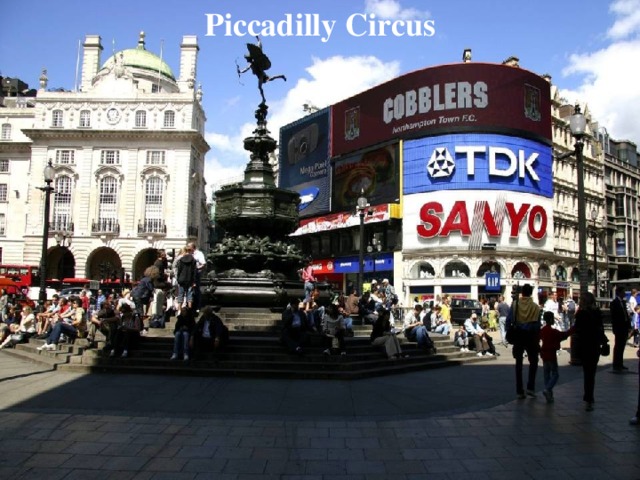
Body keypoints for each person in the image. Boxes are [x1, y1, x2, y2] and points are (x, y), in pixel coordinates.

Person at [574, 292, 608, 411]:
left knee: (587, 372)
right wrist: (604, 341)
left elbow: (577, 330)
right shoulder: (597, 312)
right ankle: (589, 397)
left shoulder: (581, 314)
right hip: (594, 346)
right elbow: (600, 329)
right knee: (591, 373)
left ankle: (588, 397)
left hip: (585, 346)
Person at [506, 283, 541, 399]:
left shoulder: (515, 304)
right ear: (531, 293)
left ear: (522, 293)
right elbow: (537, 325)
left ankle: (519, 390)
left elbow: (509, 320)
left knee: (519, 363)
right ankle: (531, 387)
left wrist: (508, 331)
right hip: (531, 336)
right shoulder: (536, 307)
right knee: (534, 361)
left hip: (518, 335)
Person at [540, 311, 575, 403]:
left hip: (544, 354)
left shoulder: (543, 330)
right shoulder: (553, 331)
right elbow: (563, 335)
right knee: (555, 374)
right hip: (551, 354)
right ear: (551, 319)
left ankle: (549, 394)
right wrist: (572, 329)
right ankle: (548, 389)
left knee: (546, 374)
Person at [131, 265, 160, 333]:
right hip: (140, 296)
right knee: (140, 313)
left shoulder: (144, 279)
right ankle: (140, 328)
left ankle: (138, 327)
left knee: (138, 311)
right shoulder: (149, 280)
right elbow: (150, 288)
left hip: (136, 296)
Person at [610, 286, 631, 372]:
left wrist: (628, 326)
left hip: (624, 327)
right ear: (619, 293)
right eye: (623, 292)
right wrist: (615, 328)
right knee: (618, 346)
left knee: (622, 346)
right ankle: (616, 364)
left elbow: (625, 314)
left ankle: (620, 363)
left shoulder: (623, 302)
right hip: (619, 328)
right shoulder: (614, 303)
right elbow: (614, 317)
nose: (624, 294)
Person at [176, 245, 197, 311]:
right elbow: (194, 272)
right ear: (190, 251)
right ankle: (189, 310)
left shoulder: (181, 260)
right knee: (189, 295)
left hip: (181, 279)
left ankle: (179, 310)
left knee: (180, 295)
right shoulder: (193, 260)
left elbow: (178, 270)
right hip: (190, 280)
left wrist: (178, 279)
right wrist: (194, 281)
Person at [187, 241, 206, 310]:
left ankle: (198, 306)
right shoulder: (188, 254)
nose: (187, 248)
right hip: (189, 275)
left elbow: (203, 264)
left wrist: (196, 268)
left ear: (193, 247)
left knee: (196, 290)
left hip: (196, 274)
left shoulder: (199, 254)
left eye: (189, 247)